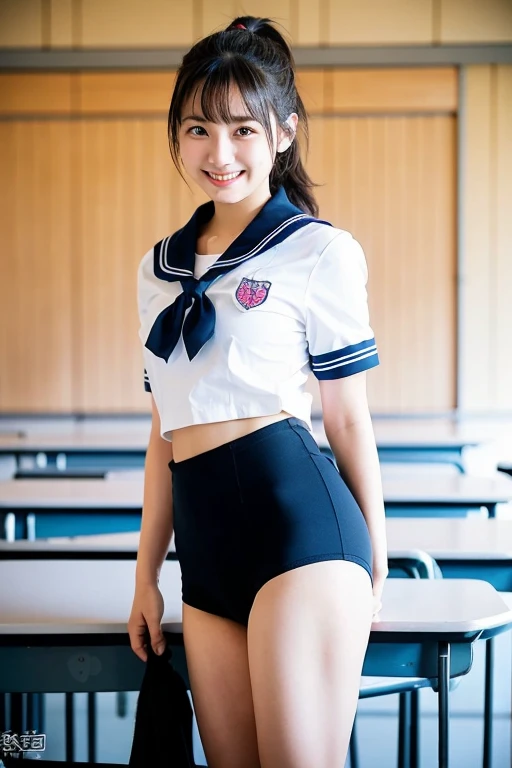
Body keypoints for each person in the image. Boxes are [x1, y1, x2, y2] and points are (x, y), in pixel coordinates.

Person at [128, 15, 387, 768]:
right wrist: (146, 575)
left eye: (244, 129)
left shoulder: (319, 250)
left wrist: (377, 549)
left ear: (283, 133)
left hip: (299, 537)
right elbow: (163, 431)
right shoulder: (156, 269)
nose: (220, 152)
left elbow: (346, 416)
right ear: (177, 137)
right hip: (205, 557)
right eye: (199, 129)